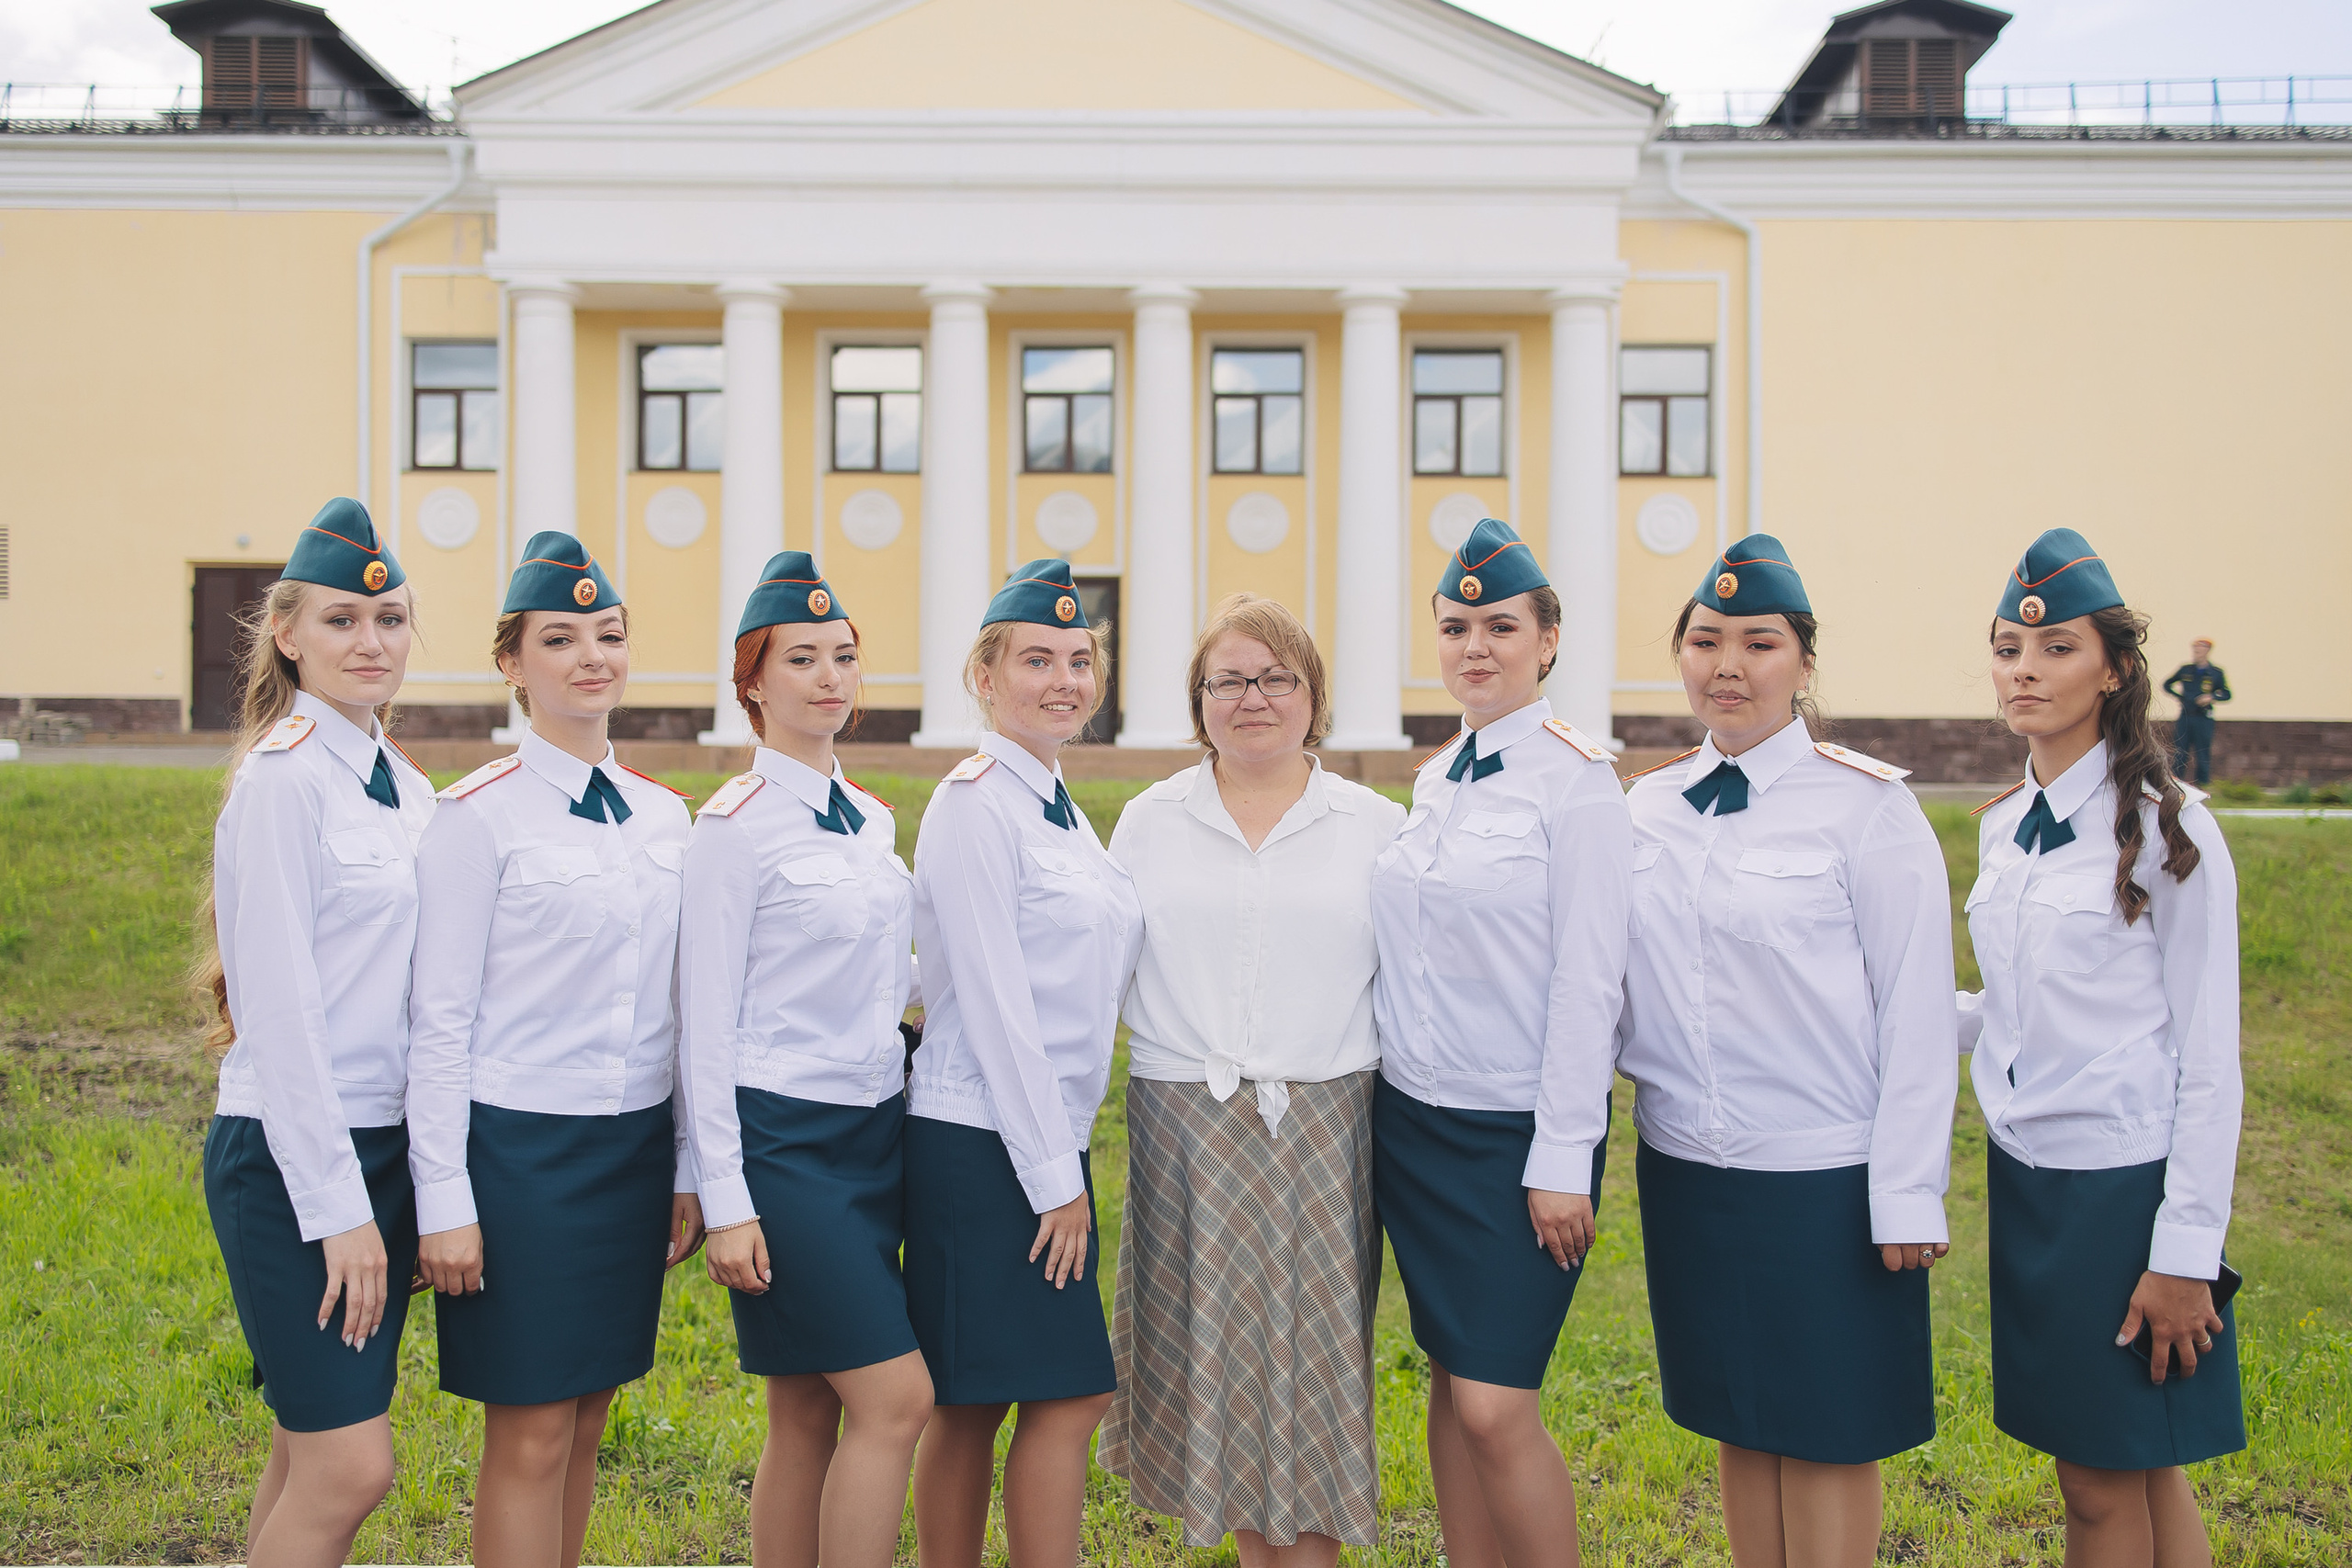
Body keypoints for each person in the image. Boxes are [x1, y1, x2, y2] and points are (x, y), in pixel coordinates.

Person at [1616, 535, 1958, 1568]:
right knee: (1738, 1411)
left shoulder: (1869, 809)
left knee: (1826, 1431)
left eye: (1758, 643)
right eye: (1705, 639)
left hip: (1824, 1175)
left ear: (1803, 664)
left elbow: (1916, 1013)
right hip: (1688, 1167)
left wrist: (1907, 1192)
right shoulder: (1646, 806)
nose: (1728, 665)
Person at [407, 533, 704, 1568]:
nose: (592, 658)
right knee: (529, 1429)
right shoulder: (474, 819)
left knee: (588, 1421)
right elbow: (437, 1023)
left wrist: (684, 1165)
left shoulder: (669, 822)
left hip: (626, 1156)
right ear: (511, 662)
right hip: (518, 1157)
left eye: (609, 636)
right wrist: (441, 1196)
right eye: (561, 637)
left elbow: (679, 1017)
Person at [1098, 593, 1405, 1568]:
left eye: (1277, 678)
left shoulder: (1375, 825)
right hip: (1186, 1125)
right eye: (1227, 680)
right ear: (1198, 702)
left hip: (1324, 1126)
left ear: (1313, 695)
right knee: (1219, 1373)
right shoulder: (1148, 823)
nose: (1253, 698)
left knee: (1311, 1371)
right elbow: (1090, 971)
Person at [1962, 529, 2244, 1564]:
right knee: (2137, 1465)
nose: (2022, 672)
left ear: (2115, 669)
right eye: (2006, 650)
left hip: (2121, 1191)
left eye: (2054, 649)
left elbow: (2212, 1060)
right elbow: (2012, 1005)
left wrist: (2184, 1255)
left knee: (2095, 1487)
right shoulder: (2005, 826)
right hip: (2028, 1178)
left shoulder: (2171, 830)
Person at [1368, 519, 1630, 1568]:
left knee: (1492, 1404)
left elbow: (1589, 982)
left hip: (1519, 1137)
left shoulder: (1580, 783)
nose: (1476, 646)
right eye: (1455, 626)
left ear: (1548, 640)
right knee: (1446, 1375)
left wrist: (1564, 1156)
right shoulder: (1440, 778)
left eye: (1500, 626)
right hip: (1414, 1126)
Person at [677, 552, 931, 1568]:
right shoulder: (731, 831)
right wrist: (724, 1197)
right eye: (801, 659)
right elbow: (702, 1024)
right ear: (753, 683)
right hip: (783, 1144)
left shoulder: (867, 819)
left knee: (806, 1412)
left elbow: (889, 974)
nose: (828, 677)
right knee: (896, 1398)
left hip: (875, 1134)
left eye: (843, 657)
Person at [194, 499, 433, 1568]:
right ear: (287, 635)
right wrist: (339, 1212)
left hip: (379, 1147)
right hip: (296, 1157)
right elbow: (279, 1019)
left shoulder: (409, 789)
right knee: (349, 1467)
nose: (369, 644)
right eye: (342, 622)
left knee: (305, 1447)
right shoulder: (286, 781)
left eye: (388, 621)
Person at [903, 558, 1143, 1568]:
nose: (1062, 680)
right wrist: (1054, 1180)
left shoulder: (1054, 804)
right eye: (1036, 659)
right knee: (1007, 1395)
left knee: (991, 1394)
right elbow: (997, 1008)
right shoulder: (974, 804)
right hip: (979, 1140)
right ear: (985, 676)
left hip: (1037, 1135)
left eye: (1078, 660)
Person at [2162, 638, 2231, 786]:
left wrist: (2211, 697)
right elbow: (2167, 684)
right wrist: (2180, 698)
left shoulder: (2215, 673)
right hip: (2186, 715)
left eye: (2200, 649)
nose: (2197, 652)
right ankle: (2176, 784)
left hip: (2203, 717)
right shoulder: (2186, 670)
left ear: (2207, 651)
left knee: (2203, 753)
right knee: (2180, 751)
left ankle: (2203, 785)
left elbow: (2227, 694)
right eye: (2195, 649)